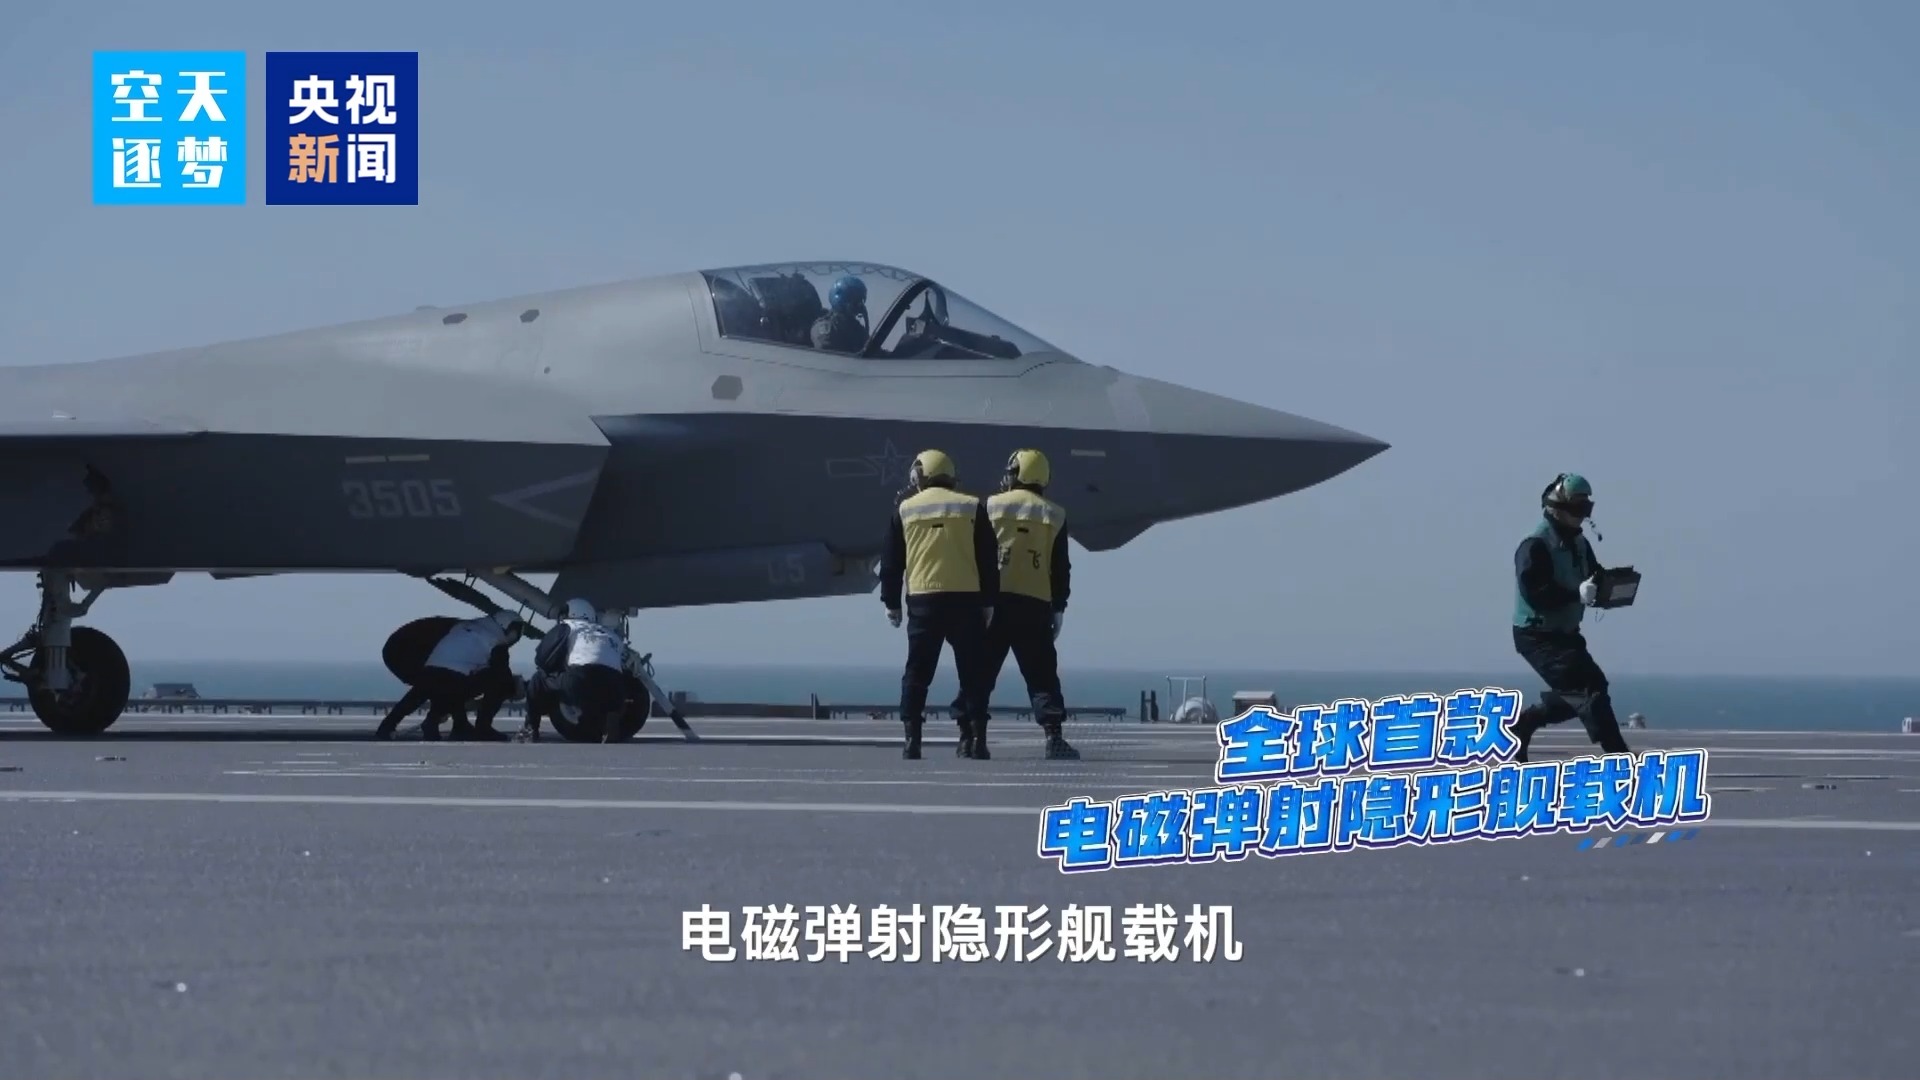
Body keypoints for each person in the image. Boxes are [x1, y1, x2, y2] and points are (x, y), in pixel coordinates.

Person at [880, 449, 1000, 760]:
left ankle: (912, 742)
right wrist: (988, 602)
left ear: (918, 476)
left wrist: (891, 603)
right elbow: (988, 560)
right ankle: (978, 741)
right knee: (973, 674)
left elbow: (891, 563)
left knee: (917, 674)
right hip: (966, 601)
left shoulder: (904, 510)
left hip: (923, 602)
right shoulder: (972, 507)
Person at [1510, 473, 1631, 762]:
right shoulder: (1535, 546)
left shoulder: (1580, 543)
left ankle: (1525, 724)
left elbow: (1593, 575)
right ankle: (1618, 756)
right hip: (1536, 635)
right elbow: (1535, 593)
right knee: (1588, 691)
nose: (1582, 515)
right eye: (1577, 507)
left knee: (1591, 689)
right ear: (1557, 507)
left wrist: (1610, 586)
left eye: (1586, 507)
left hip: (1565, 633)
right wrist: (1576, 593)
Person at [972, 449, 1080, 761]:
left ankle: (974, 738)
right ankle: (1053, 738)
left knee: (980, 673)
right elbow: (1060, 568)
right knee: (1042, 676)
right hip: (1034, 605)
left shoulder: (990, 506)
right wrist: (1059, 606)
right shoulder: (1054, 514)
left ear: (1017, 473)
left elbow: (976, 554)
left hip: (993, 604)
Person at [401, 610, 525, 741]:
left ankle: (446, 723)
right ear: (506, 626)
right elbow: (501, 674)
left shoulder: (467, 629)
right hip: (452, 680)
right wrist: (514, 687)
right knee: (499, 682)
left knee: (450, 684)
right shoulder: (495, 642)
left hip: (435, 674)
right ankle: (482, 727)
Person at [518, 598, 629, 744]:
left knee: (538, 680)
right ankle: (608, 724)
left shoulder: (570, 626)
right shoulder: (611, 635)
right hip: (616, 686)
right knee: (603, 694)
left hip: (580, 679)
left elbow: (543, 658)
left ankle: (530, 729)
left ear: (573, 613)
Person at [810, 274, 869, 353]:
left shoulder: (856, 328)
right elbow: (828, 355)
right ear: (842, 299)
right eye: (855, 300)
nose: (859, 305)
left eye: (860, 300)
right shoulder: (826, 328)